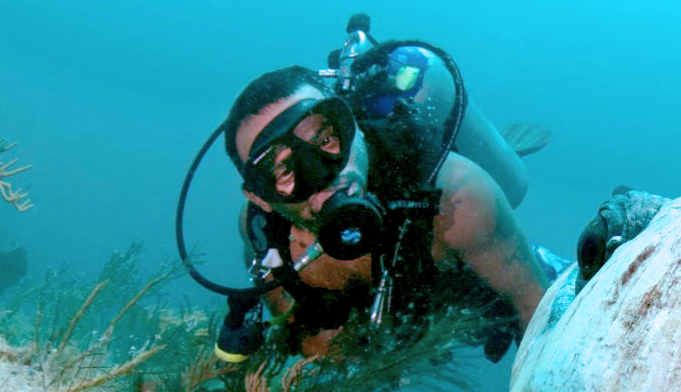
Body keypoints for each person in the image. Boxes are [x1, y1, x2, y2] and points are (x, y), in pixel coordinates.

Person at [217, 37, 558, 363]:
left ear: (352, 122)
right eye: (284, 171)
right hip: (388, 317)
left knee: (543, 285)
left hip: (458, 288)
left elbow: (532, 304)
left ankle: (537, 245)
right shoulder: (265, 236)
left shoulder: (457, 196)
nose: (323, 176)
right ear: (259, 198)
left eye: (325, 137)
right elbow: (304, 338)